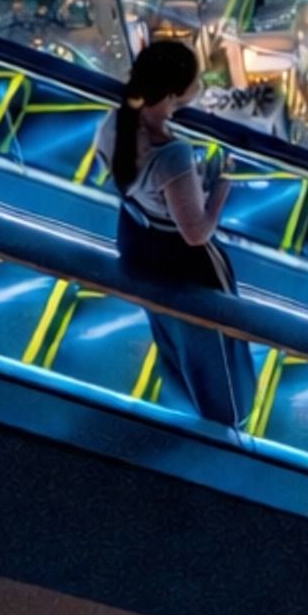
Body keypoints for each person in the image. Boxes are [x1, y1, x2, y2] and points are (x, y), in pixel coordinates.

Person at [95, 39, 254, 427]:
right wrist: (221, 188)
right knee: (213, 334)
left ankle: (184, 387)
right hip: (181, 260)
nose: (199, 85)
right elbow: (196, 233)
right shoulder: (172, 155)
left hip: (135, 237)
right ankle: (230, 411)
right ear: (172, 94)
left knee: (168, 323)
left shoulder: (114, 121)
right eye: (194, 80)